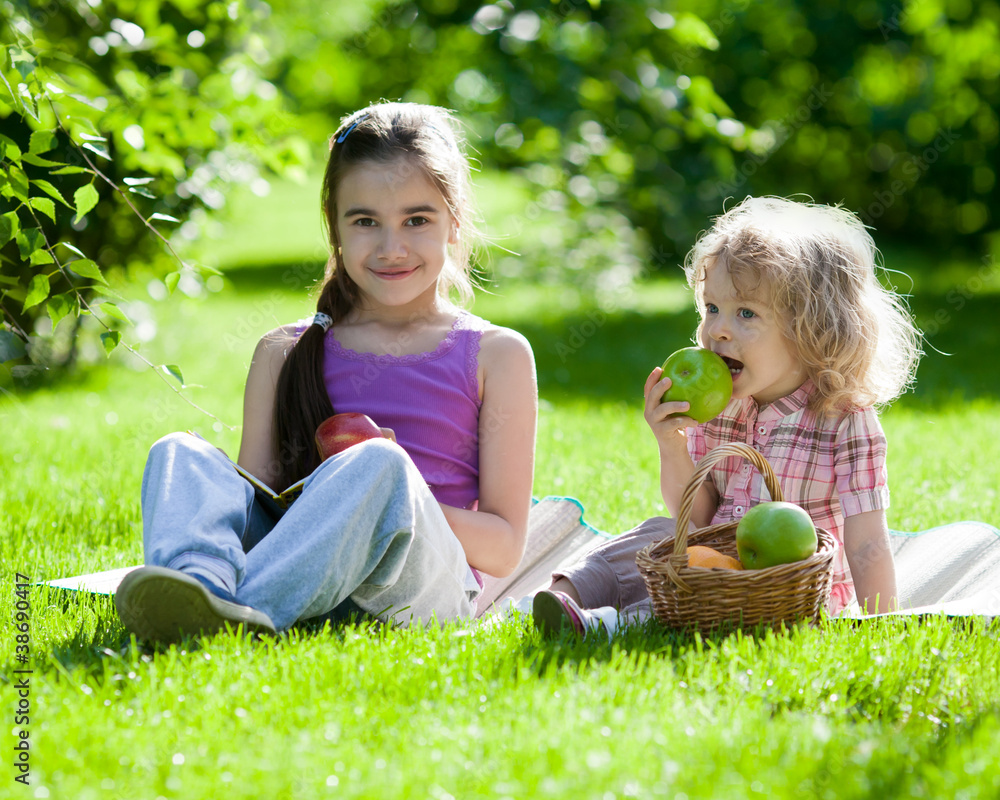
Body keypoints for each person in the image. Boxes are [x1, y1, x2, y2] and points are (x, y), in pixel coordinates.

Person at [115, 102, 538, 641]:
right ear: (334, 228)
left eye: (417, 219)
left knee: (378, 466)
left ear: (454, 223)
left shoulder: (495, 354)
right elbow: (257, 504)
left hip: (418, 592)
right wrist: (324, 499)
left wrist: (382, 500)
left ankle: (238, 613)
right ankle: (201, 590)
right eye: (365, 222)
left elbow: (503, 548)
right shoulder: (284, 351)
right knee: (180, 452)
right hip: (305, 582)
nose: (392, 247)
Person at [533, 196, 922, 636]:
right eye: (712, 308)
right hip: (714, 567)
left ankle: (607, 627)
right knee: (660, 534)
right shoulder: (720, 405)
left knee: (687, 596)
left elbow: (867, 538)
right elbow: (697, 518)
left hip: (788, 589)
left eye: (746, 314)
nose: (717, 329)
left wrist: (881, 625)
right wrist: (671, 443)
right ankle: (561, 596)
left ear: (812, 330)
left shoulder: (844, 419)